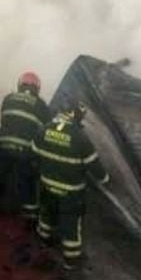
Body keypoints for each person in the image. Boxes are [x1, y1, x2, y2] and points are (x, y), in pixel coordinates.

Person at [32, 102, 110, 270]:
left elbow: (34, 154)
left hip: (47, 185)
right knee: (71, 224)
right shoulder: (80, 138)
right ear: (76, 115)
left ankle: (44, 241)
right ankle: (71, 260)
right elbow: (95, 166)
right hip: (71, 192)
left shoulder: (45, 129)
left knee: (46, 214)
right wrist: (105, 179)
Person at [0, 71, 52, 222]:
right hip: (26, 151)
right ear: (37, 88)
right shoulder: (41, 105)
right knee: (28, 183)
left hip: (3, 146)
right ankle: (30, 219)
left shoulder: (8, 98)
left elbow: (4, 120)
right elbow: (45, 131)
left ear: (20, 85)